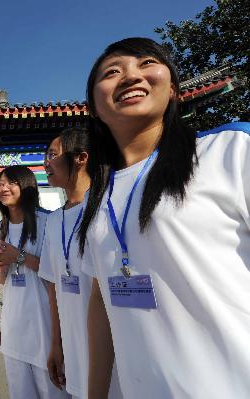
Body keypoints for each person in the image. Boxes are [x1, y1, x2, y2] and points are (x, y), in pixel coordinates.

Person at [77, 37, 250, 399]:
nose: (130, 76)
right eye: (112, 72)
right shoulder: (99, 200)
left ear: (172, 88)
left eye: (146, 64)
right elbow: (101, 302)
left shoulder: (230, 151)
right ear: (93, 106)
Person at [38, 127, 122, 399]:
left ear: (81, 158)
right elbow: (53, 287)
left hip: (117, 354)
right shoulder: (52, 221)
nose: (45, 163)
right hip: (74, 350)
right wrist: (56, 343)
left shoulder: (108, 207)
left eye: (52, 154)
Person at [0, 165, 68, 399]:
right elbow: (2, 280)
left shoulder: (48, 222)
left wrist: (18, 256)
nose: (3, 188)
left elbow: (58, 273)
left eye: (10, 183)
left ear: (26, 185)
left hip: (45, 325)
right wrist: (1, 265)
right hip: (15, 327)